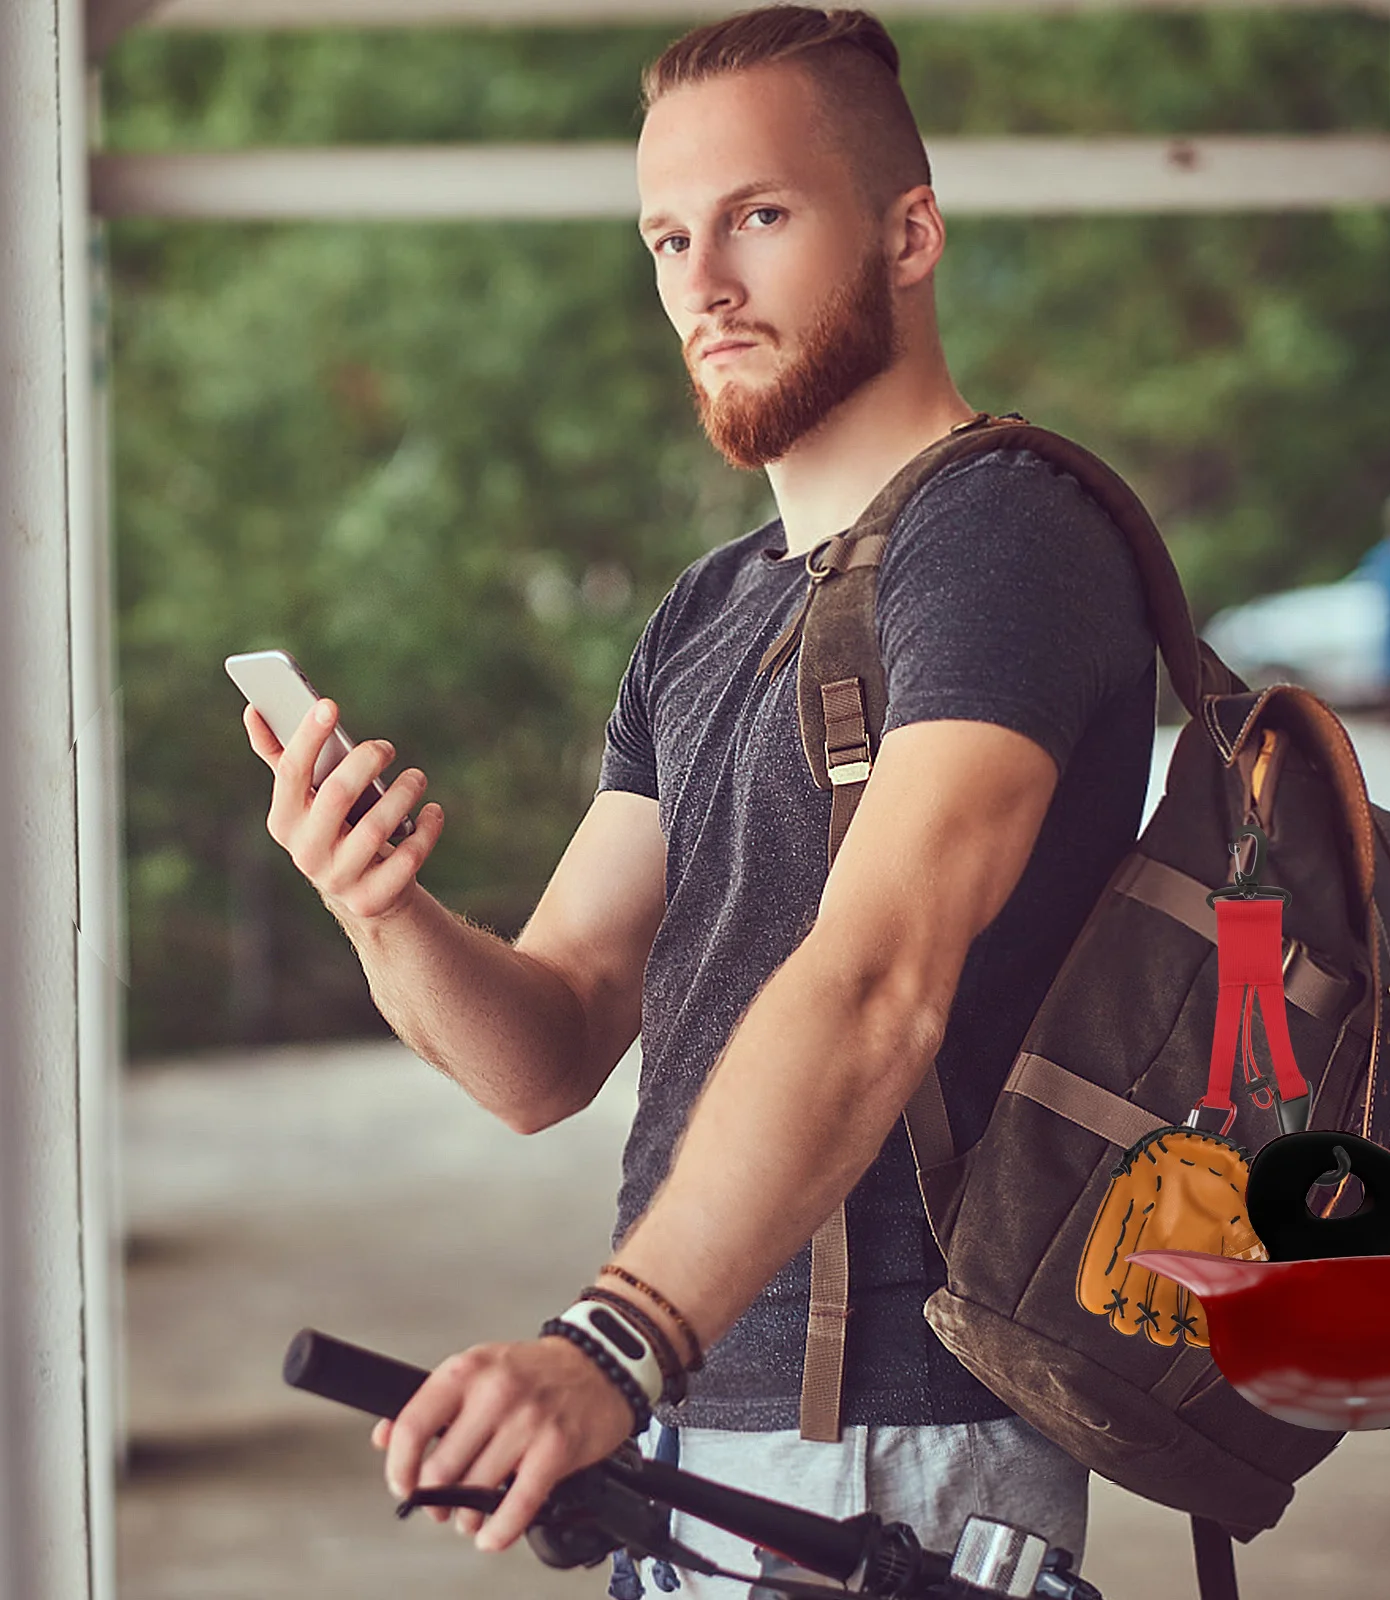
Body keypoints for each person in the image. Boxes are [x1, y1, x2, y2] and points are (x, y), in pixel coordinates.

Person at [244, 4, 1156, 1587]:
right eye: (669, 236)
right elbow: (551, 1040)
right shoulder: (710, 611)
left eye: (760, 216)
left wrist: (610, 1342)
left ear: (911, 232)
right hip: (692, 1415)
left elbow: (881, 978)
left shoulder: (1002, 535)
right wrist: (379, 909)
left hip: (893, 1435)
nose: (704, 285)